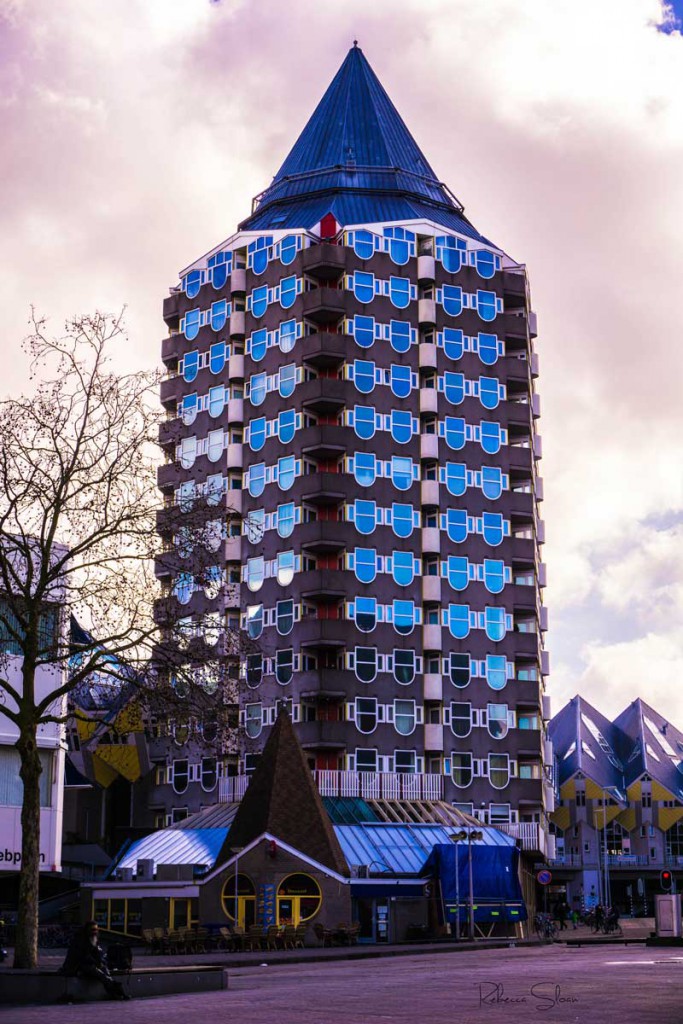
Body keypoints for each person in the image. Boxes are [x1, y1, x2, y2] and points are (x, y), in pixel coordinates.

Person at [60, 921, 129, 1000]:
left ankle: (113, 991)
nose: (95, 932)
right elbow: (83, 956)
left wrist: (101, 962)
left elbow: (98, 953)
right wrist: (96, 963)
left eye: (96, 929)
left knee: (104, 969)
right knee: (98, 972)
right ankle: (118, 991)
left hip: (89, 964)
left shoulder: (94, 939)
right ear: (87, 930)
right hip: (76, 965)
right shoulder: (79, 940)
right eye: (92, 930)